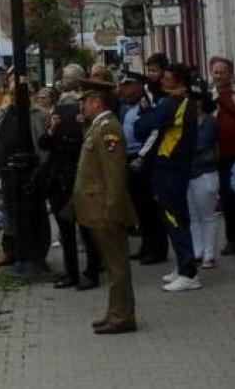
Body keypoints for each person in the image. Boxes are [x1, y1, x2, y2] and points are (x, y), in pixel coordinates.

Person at [71, 90, 138, 334]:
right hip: (96, 207)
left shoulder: (108, 128)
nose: (82, 108)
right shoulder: (97, 127)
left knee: (117, 264)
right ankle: (114, 311)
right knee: (111, 264)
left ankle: (123, 316)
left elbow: (114, 173)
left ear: (97, 102)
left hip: (105, 208)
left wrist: (113, 206)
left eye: (85, 103)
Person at [135, 63, 199, 292]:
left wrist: (144, 113)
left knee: (174, 217)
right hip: (174, 165)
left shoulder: (172, 103)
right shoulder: (184, 101)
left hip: (170, 165)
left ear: (179, 83)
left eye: (168, 79)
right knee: (174, 217)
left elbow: (142, 128)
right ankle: (183, 264)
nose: (162, 81)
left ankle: (188, 272)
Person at [39, 66, 100, 291]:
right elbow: (44, 143)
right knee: (66, 228)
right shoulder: (58, 111)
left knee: (85, 227)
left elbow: (90, 144)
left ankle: (90, 271)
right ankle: (73, 271)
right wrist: (53, 128)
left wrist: (80, 124)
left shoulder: (86, 113)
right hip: (60, 176)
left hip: (78, 175)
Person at [0, 76, 51, 273]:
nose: (15, 97)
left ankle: (38, 253)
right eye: (11, 93)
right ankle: (11, 251)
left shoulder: (40, 115)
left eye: (20, 93)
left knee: (36, 213)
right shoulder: (1, 113)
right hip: (7, 172)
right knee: (9, 213)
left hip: (33, 173)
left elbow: (44, 144)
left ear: (30, 95)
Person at [118, 74, 166, 264]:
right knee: (140, 207)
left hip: (143, 157)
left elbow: (153, 131)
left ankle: (157, 249)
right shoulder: (128, 107)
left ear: (138, 86)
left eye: (127, 86)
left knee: (150, 207)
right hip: (130, 156)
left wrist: (142, 157)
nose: (123, 90)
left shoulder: (148, 104)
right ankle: (146, 246)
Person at [209, 56, 235, 256]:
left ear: (231, 74)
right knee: (227, 199)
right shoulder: (208, 98)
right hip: (219, 157)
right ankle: (232, 239)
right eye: (215, 72)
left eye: (222, 72)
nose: (219, 76)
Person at [189, 94, 219, 270]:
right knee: (193, 215)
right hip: (189, 173)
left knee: (207, 215)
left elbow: (202, 143)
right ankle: (198, 250)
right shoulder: (188, 123)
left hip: (205, 171)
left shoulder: (209, 122)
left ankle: (209, 253)